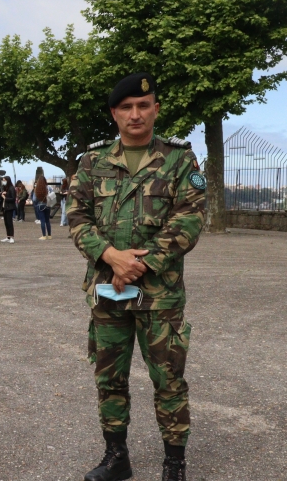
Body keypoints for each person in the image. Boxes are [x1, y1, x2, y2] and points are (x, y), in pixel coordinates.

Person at [70, 72, 206, 481]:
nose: (135, 114)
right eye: (126, 107)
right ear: (114, 113)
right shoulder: (92, 162)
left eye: (143, 106)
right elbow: (77, 217)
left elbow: (191, 219)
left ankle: (174, 464)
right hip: (107, 290)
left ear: (155, 109)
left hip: (159, 296)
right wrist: (111, 256)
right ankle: (117, 457)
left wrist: (138, 266)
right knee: (110, 377)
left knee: (168, 378)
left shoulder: (181, 159)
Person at [0, 177, 16, 243]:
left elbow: (13, 198)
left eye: (4, 180)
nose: (3, 182)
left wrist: (5, 198)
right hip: (5, 207)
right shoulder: (5, 188)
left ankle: (12, 236)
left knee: (9, 222)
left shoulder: (11, 188)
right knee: (6, 222)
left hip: (9, 207)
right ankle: (8, 236)